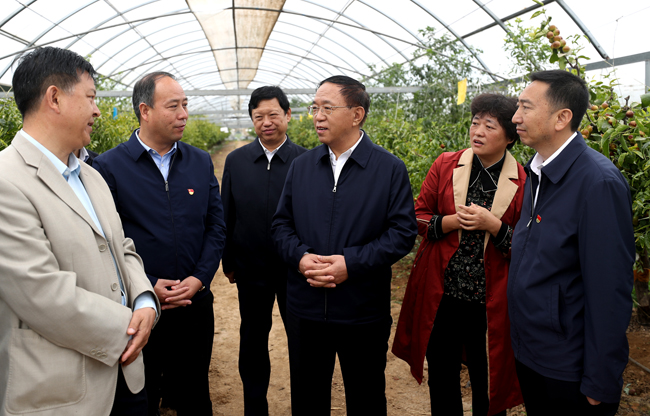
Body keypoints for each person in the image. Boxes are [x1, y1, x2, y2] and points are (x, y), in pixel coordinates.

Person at [0, 46, 158, 416]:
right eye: (90, 97)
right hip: (64, 393)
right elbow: (40, 293)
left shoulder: (91, 176)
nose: (98, 110)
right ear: (54, 98)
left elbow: (123, 248)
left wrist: (146, 302)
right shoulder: (7, 180)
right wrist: (132, 326)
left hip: (127, 375)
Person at [272, 75, 418, 416]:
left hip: (362, 311)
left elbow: (401, 233)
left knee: (366, 397)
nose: (317, 116)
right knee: (308, 398)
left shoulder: (388, 169)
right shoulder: (302, 166)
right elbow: (281, 225)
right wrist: (301, 258)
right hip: (306, 308)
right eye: (314, 107)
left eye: (327, 107)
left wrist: (349, 264)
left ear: (356, 114)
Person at [93, 71, 226, 416]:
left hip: (194, 305)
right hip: (141, 310)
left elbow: (215, 226)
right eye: (173, 106)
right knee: (144, 394)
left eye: (185, 105)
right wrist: (148, 285)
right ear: (145, 110)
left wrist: (199, 279)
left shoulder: (197, 160)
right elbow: (107, 241)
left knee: (195, 393)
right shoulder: (108, 167)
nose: (184, 114)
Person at [508, 70, 635, 416]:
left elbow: (610, 290)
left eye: (526, 107)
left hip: (567, 365)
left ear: (562, 118)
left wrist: (600, 380)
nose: (515, 117)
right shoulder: (538, 173)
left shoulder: (597, 183)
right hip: (533, 350)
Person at [392, 93, 525, 416]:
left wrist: (494, 225)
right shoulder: (447, 164)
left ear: (509, 137)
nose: (477, 131)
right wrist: (450, 222)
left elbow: (528, 243)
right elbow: (418, 216)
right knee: (442, 369)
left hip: (490, 298)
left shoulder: (523, 181)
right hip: (444, 291)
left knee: (488, 373)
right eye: (475, 122)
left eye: (489, 126)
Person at [221, 86, 306, 415]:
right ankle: (254, 407)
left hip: (295, 270)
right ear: (252, 121)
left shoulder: (306, 160)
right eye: (259, 117)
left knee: (301, 341)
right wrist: (228, 259)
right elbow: (226, 213)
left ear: (287, 115)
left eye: (273, 115)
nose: (267, 122)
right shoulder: (237, 161)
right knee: (253, 340)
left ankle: (304, 405)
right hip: (251, 269)